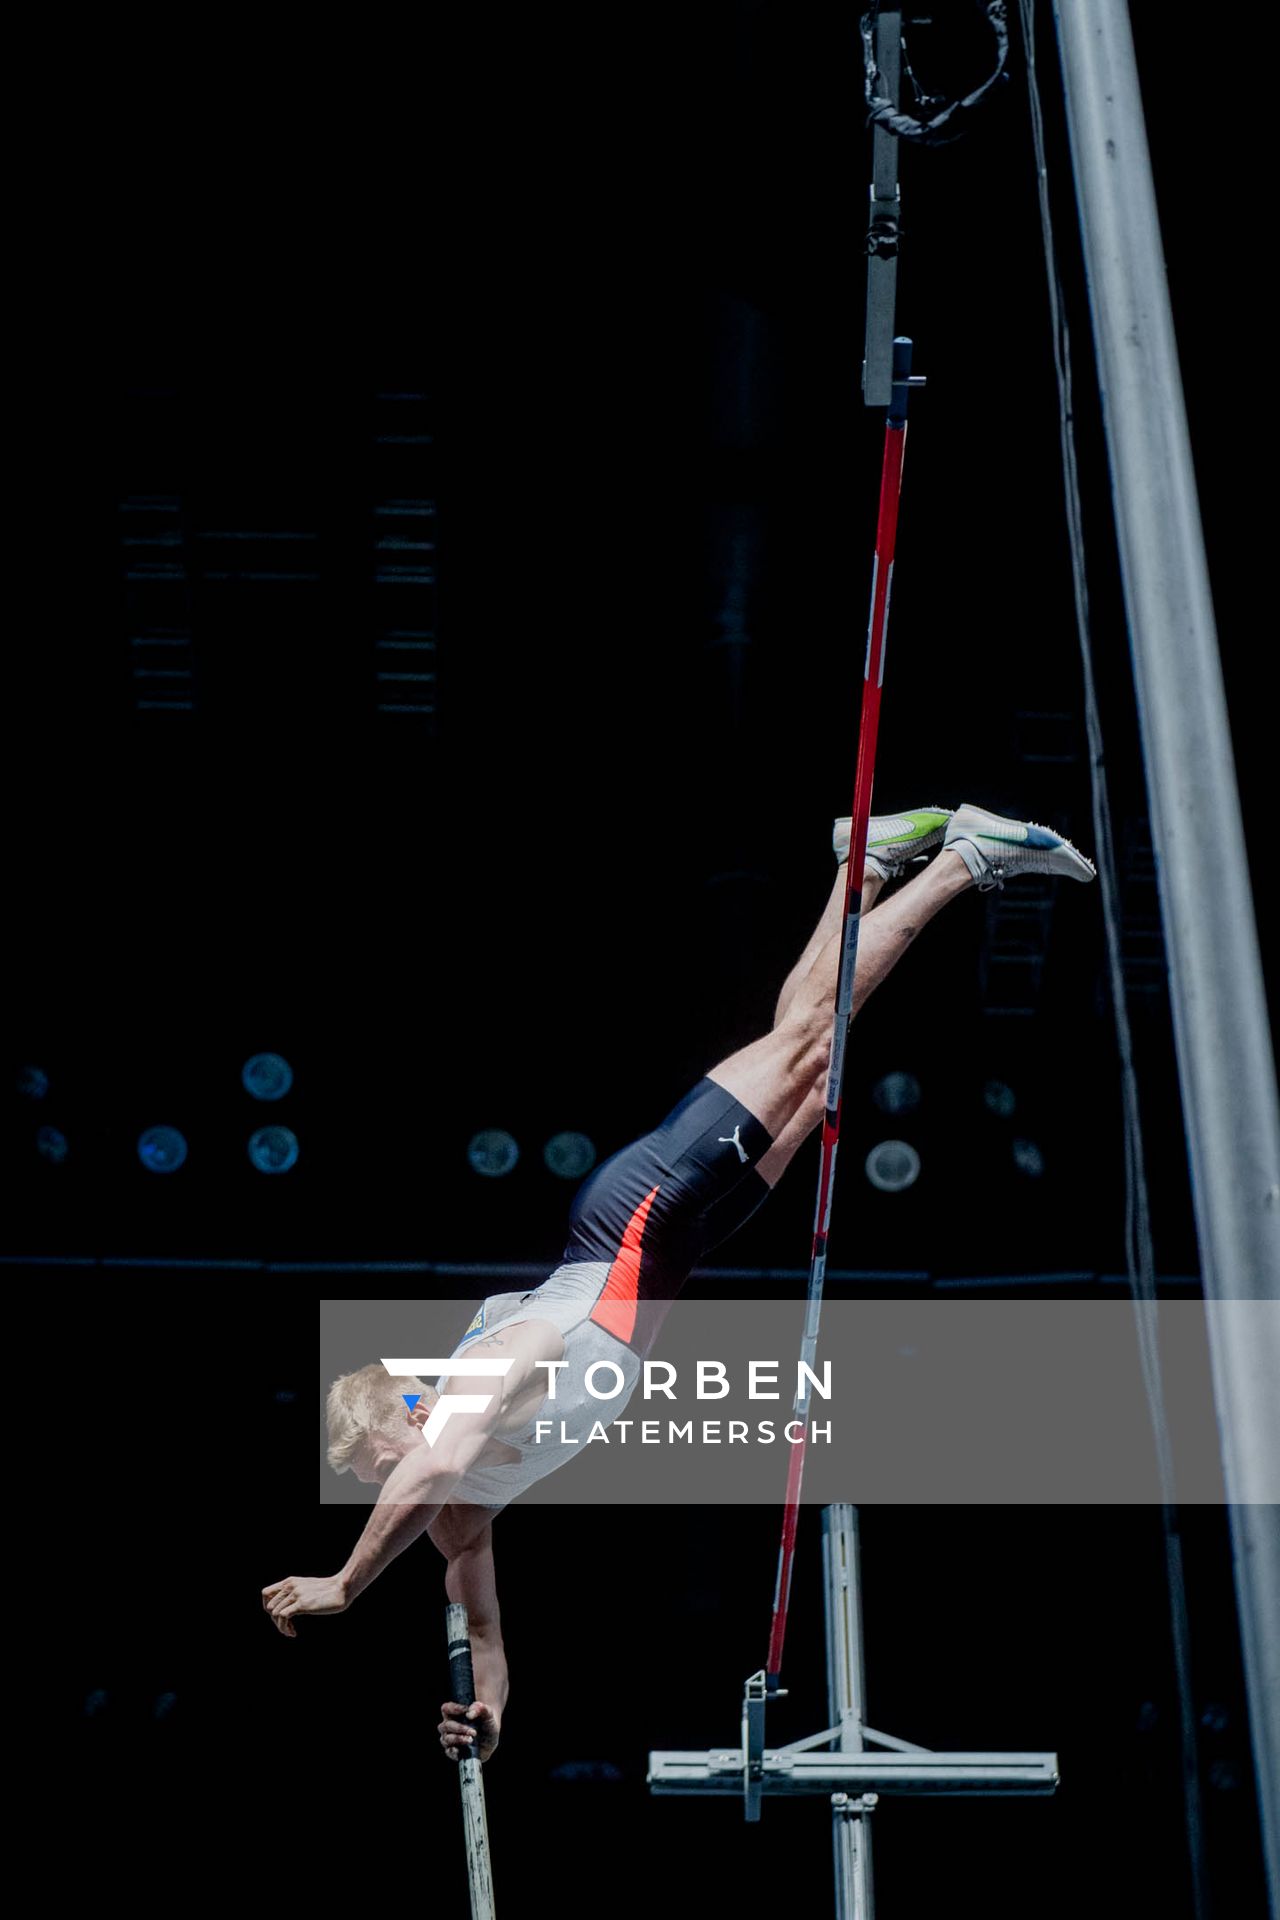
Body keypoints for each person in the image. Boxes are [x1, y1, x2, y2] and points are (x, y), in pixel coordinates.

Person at [262, 803, 1094, 1762]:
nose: (392, 1499)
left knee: (808, 1046)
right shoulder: (462, 1522)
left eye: (377, 1471)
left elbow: (433, 1464)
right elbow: (485, 1634)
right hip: (673, 1256)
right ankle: (858, 873)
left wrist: (344, 1584)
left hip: (636, 1219)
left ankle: (962, 864)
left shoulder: (473, 1384)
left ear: (403, 1414)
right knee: (814, 1060)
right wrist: (489, 1716)